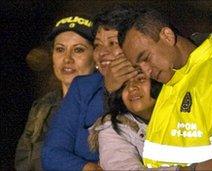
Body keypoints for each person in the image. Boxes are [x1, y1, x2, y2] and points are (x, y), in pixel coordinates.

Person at [118, 8, 212, 170]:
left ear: (167, 35)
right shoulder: (173, 78)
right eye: (138, 66)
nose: (146, 71)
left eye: (146, 58)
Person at [41, 10, 138, 171]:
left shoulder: (153, 87)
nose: (102, 53)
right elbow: (51, 153)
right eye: (98, 45)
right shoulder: (83, 88)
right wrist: (88, 168)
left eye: (112, 43)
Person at [15, 15, 95, 171]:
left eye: (78, 50)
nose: (67, 59)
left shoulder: (108, 106)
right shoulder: (42, 107)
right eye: (60, 49)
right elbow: (23, 161)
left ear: (96, 57)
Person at [88, 72, 162, 170]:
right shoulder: (113, 129)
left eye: (140, 79)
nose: (131, 88)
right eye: (124, 84)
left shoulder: (183, 115)